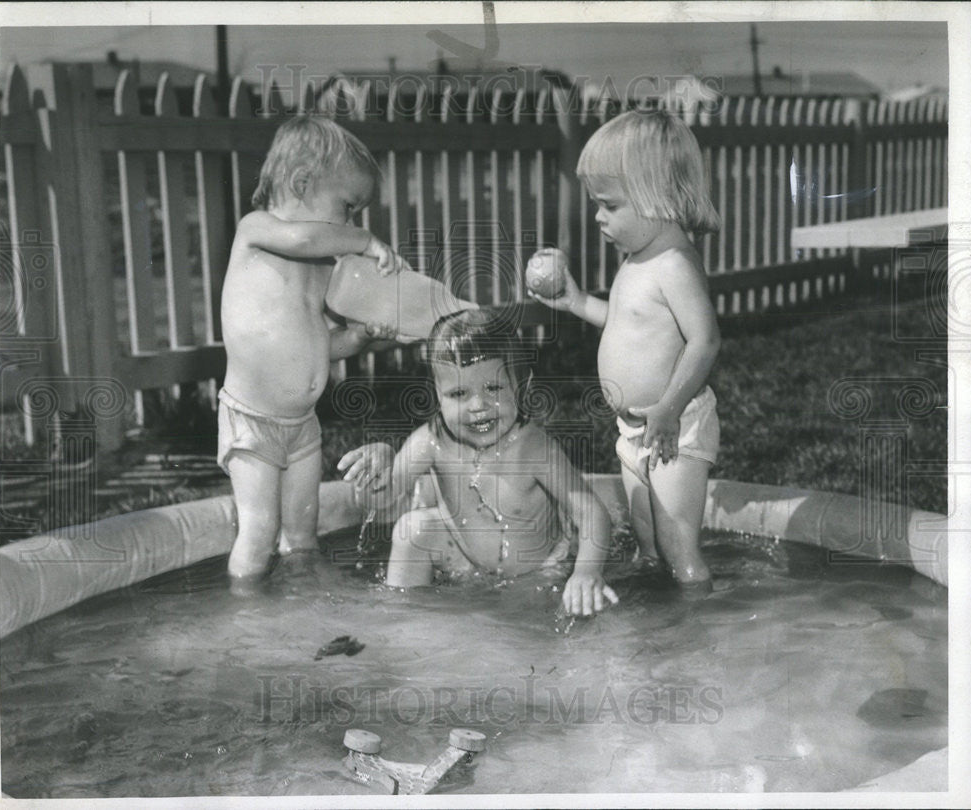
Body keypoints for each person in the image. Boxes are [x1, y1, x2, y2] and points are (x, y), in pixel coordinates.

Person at [530, 109, 721, 591]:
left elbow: (706, 341)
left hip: (672, 429)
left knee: (679, 548)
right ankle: (660, 621)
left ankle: (703, 630)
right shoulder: (639, 259)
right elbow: (623, 322)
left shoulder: (674, 264)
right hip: (635, 429)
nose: (598, 216)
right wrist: (575, 302)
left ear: (656, 197)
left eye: (609, 205)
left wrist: (669, 407)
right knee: (648, 545)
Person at [218, 113, 408, 584]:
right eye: (348, 207)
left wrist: (359, 338)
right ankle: (244, 619)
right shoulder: (256, 231)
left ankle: (300, 613)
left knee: (303, 535)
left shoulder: (322, 266)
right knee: (259, 531)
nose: (353, 223)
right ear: (302, 182)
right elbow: (303, 235)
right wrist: (364, 241)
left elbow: (321, 345)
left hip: (303, 425)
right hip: (253, 422)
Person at [339, 310, 619, 616]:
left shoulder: (532, 448)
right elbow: (380, 500)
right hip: (465, 561)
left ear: (520, 385)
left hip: (539, 571)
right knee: (412, 530)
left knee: (525, 626)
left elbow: (591, 512)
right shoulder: (430, 442)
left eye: (494, 389)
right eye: (459, 393)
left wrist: (586, 572)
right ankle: (402, 620)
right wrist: (379, 467)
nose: (478, 406)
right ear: (438, 394)